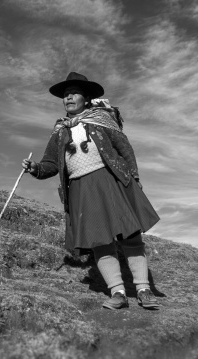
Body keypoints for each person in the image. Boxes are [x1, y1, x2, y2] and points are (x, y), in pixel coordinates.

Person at [22, 72, 161, 310]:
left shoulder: (103, 120)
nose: (68, 98)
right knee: (100, 241)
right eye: (65, 95)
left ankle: (143, 289)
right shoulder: (59, 131)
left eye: (73, 93)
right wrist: (35, 168)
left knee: (130, 235)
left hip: (112, 181)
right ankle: (118, 293)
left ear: (86, 98)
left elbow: (124, 148)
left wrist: (134, 177)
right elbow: (51, 164)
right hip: (81, 189)